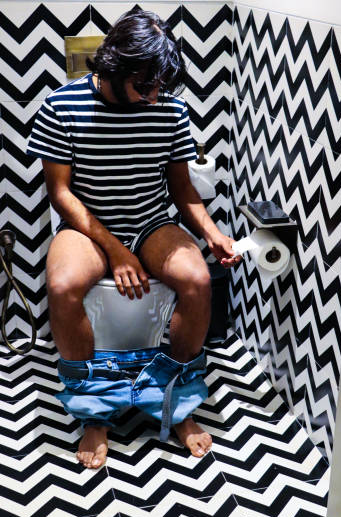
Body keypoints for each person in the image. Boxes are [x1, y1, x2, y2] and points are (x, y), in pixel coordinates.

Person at [27, 8, 241, 469]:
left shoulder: (169, 108)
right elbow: (61, 194)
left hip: (148, 220)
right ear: (115, 67)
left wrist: (213, 234)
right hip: (86, 223)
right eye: (145, 84)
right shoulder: (62, 106)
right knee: (63, 288)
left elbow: (182, 190)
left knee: (198, 281)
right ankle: (95, 413)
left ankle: (172, 399)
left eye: (161, 85)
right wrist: (116, 251)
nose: (154, 96)